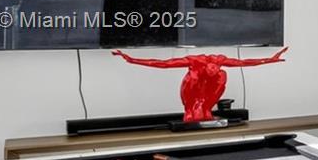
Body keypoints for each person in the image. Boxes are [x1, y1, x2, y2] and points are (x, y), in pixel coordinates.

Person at [111, 46, 288, 122]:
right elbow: (163, 64)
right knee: (194, 78)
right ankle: (191, 108)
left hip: (207, 94)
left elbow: (245, 62)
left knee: (223, 76)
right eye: (211, 70)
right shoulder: (195, 62)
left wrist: (270, 59)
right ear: (206, 66)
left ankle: (206, 107)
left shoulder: (219, 62)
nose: (214, 71)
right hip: (191, 90)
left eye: (215, 70)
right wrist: (132, 59)